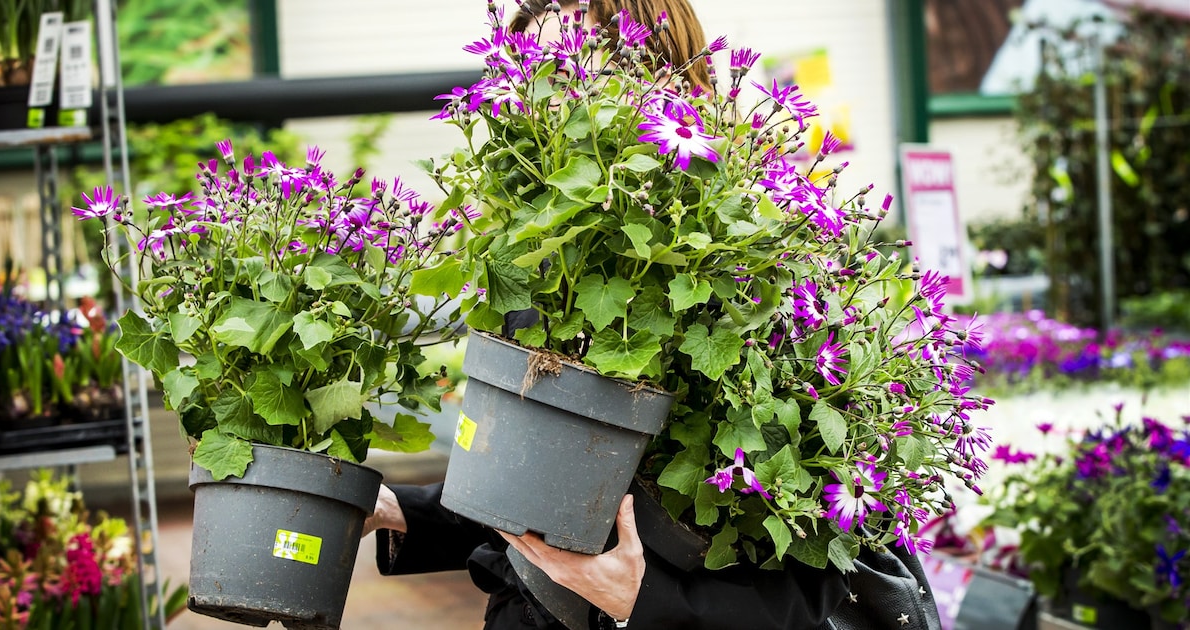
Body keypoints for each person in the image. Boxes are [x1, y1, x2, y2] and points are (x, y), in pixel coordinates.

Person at [364, 2, 940, 628]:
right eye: (536, 73)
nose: (554, 99)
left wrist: (644, 602)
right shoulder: (547, 262)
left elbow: (837, 563)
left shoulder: (767, 268)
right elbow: (537, 487)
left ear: (668, 75)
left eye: (581, 69)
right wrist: (399, 507)